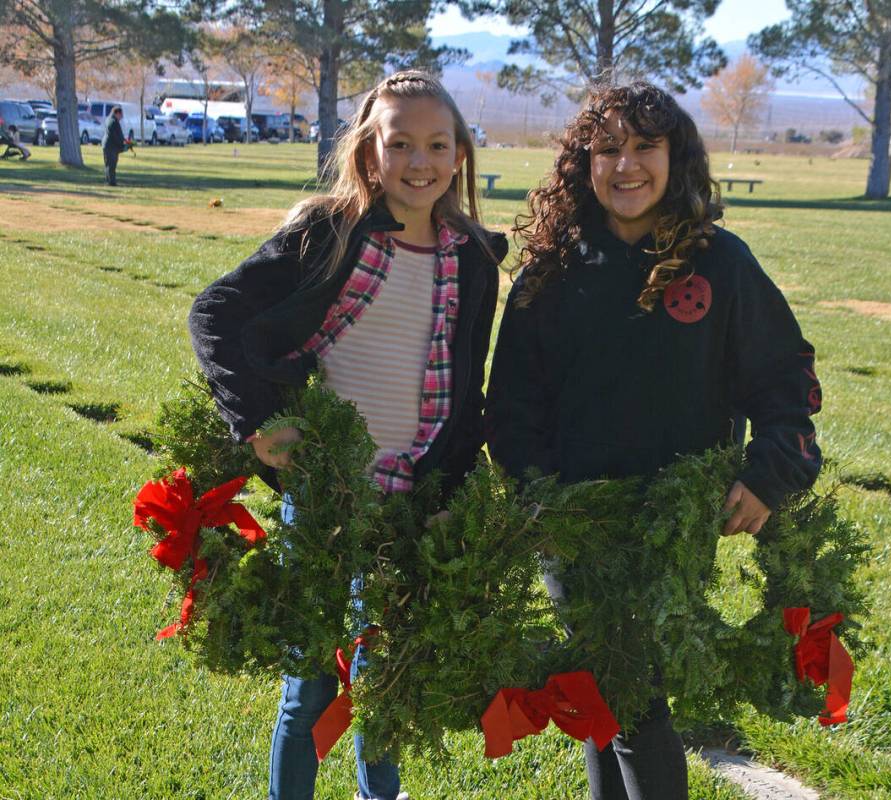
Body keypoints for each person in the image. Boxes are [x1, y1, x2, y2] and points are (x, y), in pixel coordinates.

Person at [486, 82, 822, 800]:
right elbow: (511, 403)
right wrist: (538, 497)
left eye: (645, 146)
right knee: (607, 694)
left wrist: (769, 474)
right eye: (607, 148)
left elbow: (783, 376)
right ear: (584, 164)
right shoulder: (550, 272)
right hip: (570, 525)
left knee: (631, 696)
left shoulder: (721, 265)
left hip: (670, 527)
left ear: (677, 157)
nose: (626, 164)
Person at [188, 71, 507, 800]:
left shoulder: (474, 259)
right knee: (306, 686)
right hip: (325, 496)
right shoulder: (328, 234)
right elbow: (214, 313)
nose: (419, 161)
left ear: (459, 154)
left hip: (411, 501)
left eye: (436, 144)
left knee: (384, 680)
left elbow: (467, 388)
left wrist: (456, 490)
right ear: (371, 152)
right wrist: (256, 419)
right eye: (400, 144)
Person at [101, 106, 126, 185]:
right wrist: (121, 144)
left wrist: (124, 141)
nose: (121, 117)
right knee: (111, 164)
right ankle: (111, 182)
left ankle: (110, 180)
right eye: (121, 115)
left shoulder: (111, 120)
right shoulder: (112, 121)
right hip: (110, 146)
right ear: (117, 113)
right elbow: (114, 135)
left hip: (110, 146)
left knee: (111, 164)